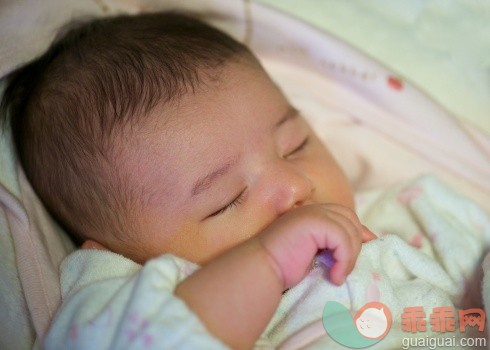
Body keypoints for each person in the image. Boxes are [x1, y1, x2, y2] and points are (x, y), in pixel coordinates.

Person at [3, 11, 488, 350]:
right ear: (120, 256)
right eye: (226, 200)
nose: (294, 185)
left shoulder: (413, 210)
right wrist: (267, 264)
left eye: (295, 143)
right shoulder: (131, 300)